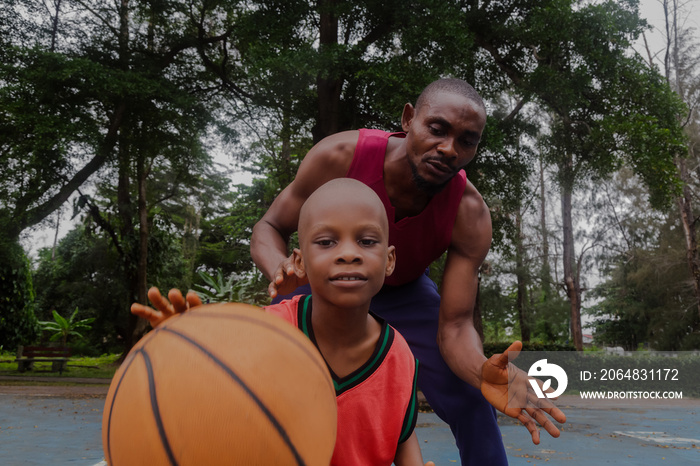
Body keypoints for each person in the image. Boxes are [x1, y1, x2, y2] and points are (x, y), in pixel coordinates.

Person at [249, 78, 567, 465]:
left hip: (404, 289)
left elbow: (454, 327)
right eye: (437, 129)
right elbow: (268, 228)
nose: (449, 149)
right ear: (408, 118)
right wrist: (282, 270)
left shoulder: (468, 214)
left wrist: (482, 372)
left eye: (466, 141)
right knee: (266, 388)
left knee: (471, 397)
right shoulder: (339, 157)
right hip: (320, 286)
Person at [132, 179, 434, 466]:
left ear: (389, 260)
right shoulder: (267, 332)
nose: (348, 254)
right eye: (327, 242)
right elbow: (210, 388)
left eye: (367, 241)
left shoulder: (399, 357)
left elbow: (401, 438)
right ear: (299, 262)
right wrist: (183, 349)